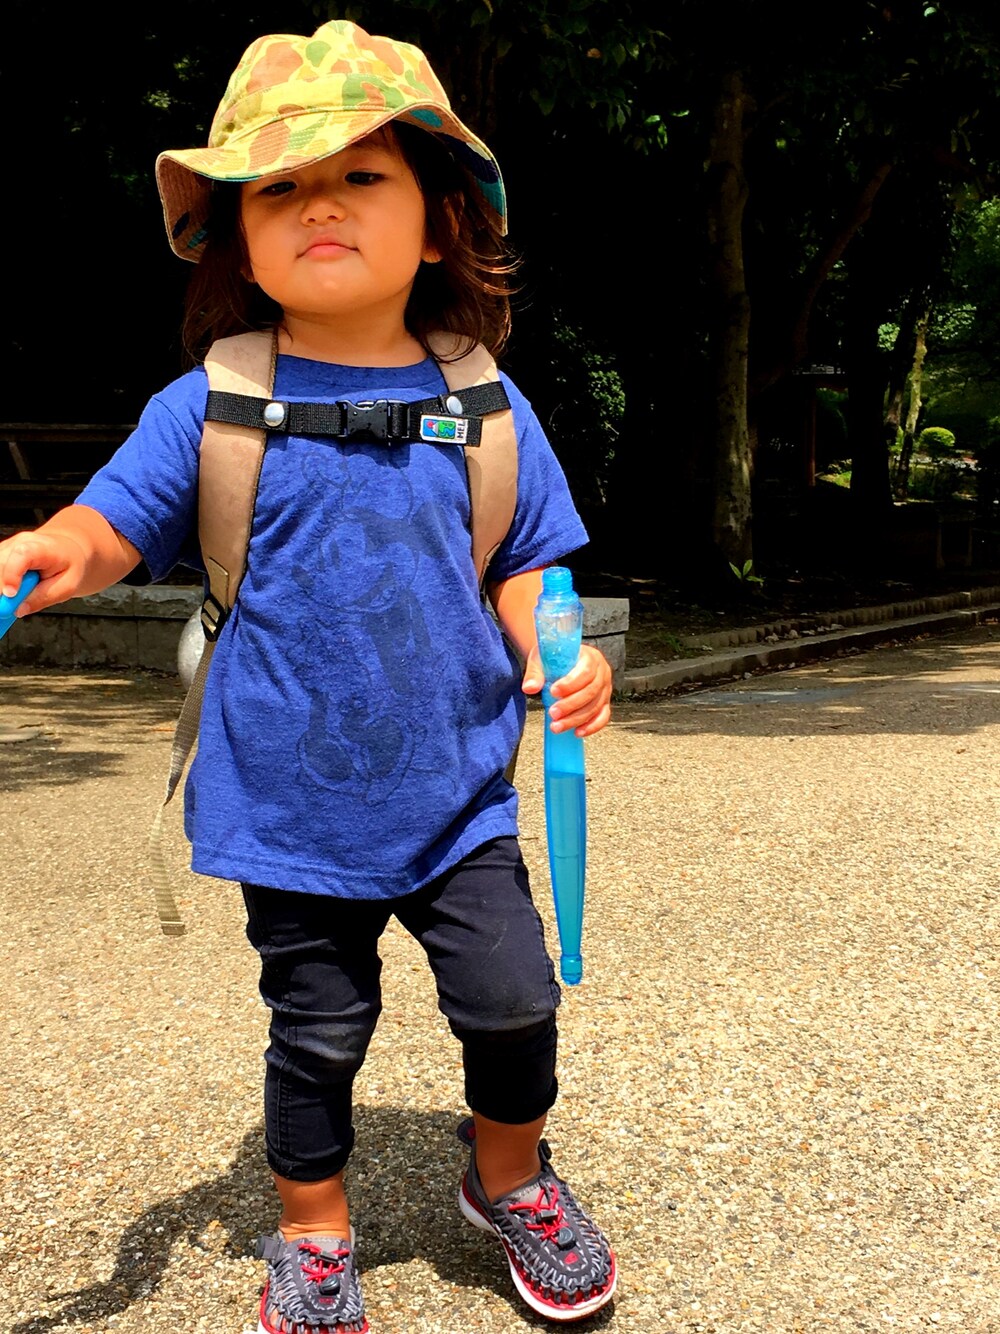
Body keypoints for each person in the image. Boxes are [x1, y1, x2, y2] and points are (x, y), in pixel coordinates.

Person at [0, 19, 616, 1333]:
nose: (319, 203)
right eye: (278, 185)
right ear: (237, 235)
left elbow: (526, 563)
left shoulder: (487, 404)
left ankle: (508, 1175)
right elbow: (114, 525)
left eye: (361, 176)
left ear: (440, 224)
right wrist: (56, 550)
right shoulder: (211, 404)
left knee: (515, 1000)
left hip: (459, 795)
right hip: (288, 804)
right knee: (317, 1032)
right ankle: (313, 1228)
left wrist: (558, 653)